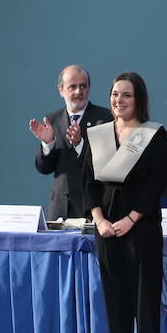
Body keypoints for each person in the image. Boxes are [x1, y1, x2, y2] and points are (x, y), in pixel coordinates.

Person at [83, 72, 167, 333]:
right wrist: (99, 219)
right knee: (114, 300)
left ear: (139, 100)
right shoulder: (98, 135)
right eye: (114, 95)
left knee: (144, 300)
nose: (118, 101)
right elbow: (88, 183)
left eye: (126, 95)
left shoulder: (154, 135)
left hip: (142, 227)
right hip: (106, 228)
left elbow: (157, 184)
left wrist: (131, 219)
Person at [30, 64, 112, 219]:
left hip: (92, 207)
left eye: (83, 86)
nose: (78, 92)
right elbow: (44, 168)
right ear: (61, 90)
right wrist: (48, 144)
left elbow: (104, 165)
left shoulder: (105, 118)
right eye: (72, 87)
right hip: (59, 208)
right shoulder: (52, 120)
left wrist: (80, 144)